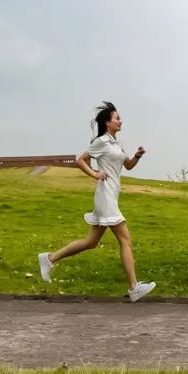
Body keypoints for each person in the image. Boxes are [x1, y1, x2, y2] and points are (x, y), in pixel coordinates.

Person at [38, 101, 156, 302]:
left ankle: (49, 258)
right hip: (105, 198)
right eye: (117, 118)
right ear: (107, 122)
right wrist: (94, 174)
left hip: (110, 197)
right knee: (125, 240)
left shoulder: (115, 144)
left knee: (91, 242)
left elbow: (127, 166)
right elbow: (80, 159)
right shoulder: (101, 141)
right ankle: (134, 288)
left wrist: (137, 156)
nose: (120, 121)